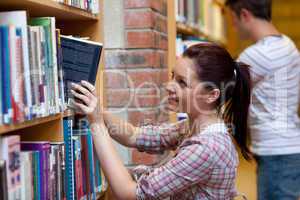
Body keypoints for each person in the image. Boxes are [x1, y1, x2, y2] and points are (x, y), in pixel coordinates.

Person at [71, 43, 252, 199]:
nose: (169, 86)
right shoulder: (191, 128)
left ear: (211, 95)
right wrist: (96, 109)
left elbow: (128, 193)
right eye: (173, 76)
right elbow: (134, 136)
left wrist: (96, 123)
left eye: (182, 83)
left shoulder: (206, 148)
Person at [225, 0, 300, 199]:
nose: (233, 26)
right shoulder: (287, 44)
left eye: (233, 19)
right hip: (288, 147)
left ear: (245, 15)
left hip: (276, 153)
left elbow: (220, 87)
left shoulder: (257, 55)